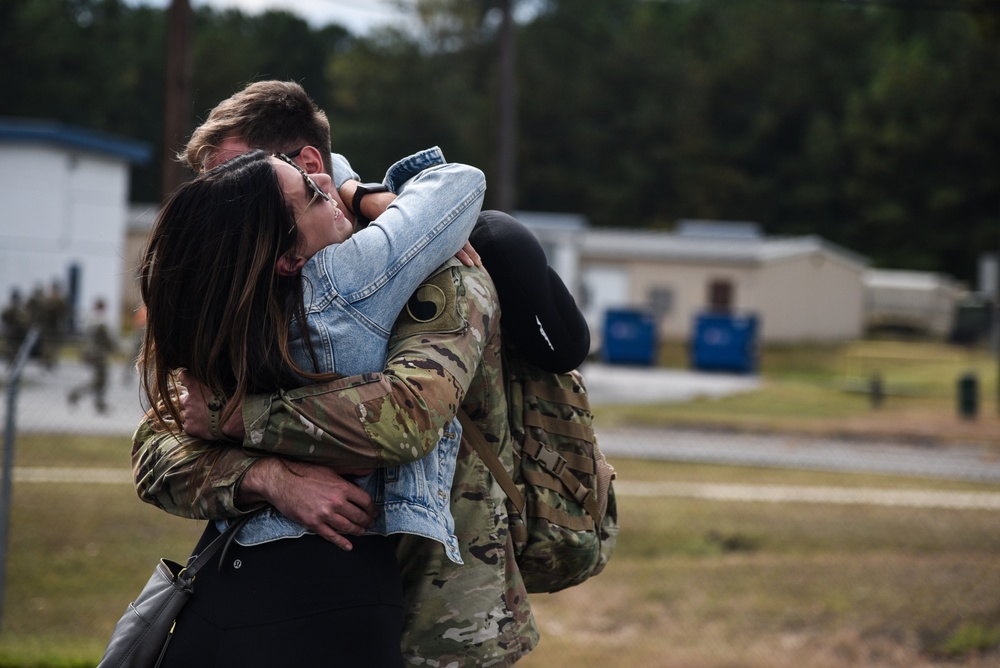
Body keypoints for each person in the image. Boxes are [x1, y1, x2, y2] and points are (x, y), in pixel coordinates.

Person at [132, 80, 586, 665]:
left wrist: (235, 416)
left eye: (240, 174)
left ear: (309, 168)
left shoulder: (435, 274)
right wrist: (269, 479)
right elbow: (157, 449)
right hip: (295, 592)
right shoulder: (244, 305)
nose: (222, 201)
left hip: (442, 604)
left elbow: (407, 417)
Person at [138, 144, 484, 665]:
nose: (329, 191)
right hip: (333, 597)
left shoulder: (220, 317)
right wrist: (362, 194)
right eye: (314, 194)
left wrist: (240, 436)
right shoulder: (344, 279)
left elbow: (155, 451)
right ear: (286, 258)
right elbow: (461, 182)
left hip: (223, 590)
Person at [68, 297, 115, 413]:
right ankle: (76, 394)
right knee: (100, 380)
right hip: (99, 355)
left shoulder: (89, 319)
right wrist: (115, 349)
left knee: (100, 380)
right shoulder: (101, 321)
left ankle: (98, 403)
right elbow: (107, 340)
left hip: (89, 353)